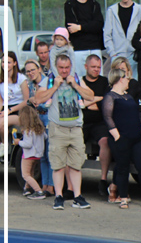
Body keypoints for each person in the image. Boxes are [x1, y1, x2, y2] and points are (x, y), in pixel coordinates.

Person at [34, 53, 95, 210]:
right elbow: (38, 99)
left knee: (75, 165)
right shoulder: (49, 80)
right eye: (61, 67)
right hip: (58, 128)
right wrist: (55, 86)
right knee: (58, 165)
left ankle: (77, 196)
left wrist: (74, 85)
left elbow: (90, 96)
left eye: (67, 67)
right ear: (56, 66)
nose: (64, 71)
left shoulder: (76, 78)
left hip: (75, 128)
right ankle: (59, 196)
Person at [103, 66, 141, 209]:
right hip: (122, 137)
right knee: (123, 167)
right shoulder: (110, 96)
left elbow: (135, 113)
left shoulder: (128, 96)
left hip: (136, 137)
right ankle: (123, 197)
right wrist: (117, 136)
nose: (128, 80)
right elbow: (108, 117)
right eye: (126, 77)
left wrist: (140, 128)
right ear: (119, 79)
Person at [80, 55, 112, 199]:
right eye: (93, 67)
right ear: (86, 66)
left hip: (100, 123)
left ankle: (103, 179)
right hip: (82, 122)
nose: (96, 70)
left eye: (99, 67)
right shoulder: (79, 82)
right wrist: (97, 99)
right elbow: (78, 104)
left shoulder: (105, 82)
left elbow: (106, 104)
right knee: (74, 145)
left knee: (105, 141)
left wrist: (87, 102)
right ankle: (71, 183)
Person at [22, 59, 54, 196]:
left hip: (47, 116)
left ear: (39, 69)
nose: (30, 73)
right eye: (28, 71)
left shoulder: (47, 82)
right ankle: (45, 185)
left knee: (49, 154)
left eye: (32, 70)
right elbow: (29, 100)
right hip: (37, 118)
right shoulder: (31, 85)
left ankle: (51, 186)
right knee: (42, 156)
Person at [64, 0, 104, 77]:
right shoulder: (69, 4)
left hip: (95, 47)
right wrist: (89, 27)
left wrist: (80, 27)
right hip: (78, 48)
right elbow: (71, 27)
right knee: (80, 77)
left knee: (97, 76)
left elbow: (99, 25)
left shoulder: (95, 4)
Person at [104, 0, 141, 79]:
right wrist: (112, 53)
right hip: (117, 54)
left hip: (134, 54)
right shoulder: (112, 11)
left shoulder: (140, 10)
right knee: (118, 82)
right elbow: (107, 34)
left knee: (133, 82)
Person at [14, 105, 48, 199]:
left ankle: (39, 191)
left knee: (25, 175)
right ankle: (27, 189)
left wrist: (18, 142)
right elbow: (45, 137)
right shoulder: (39, 129)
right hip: (37, 155)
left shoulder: (27, 130)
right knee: (31, 173)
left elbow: (28, 144)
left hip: (28, 155)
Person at [1, 52, 29, 129]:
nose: (5, 64)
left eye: (8, 62)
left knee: (1, 123)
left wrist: (10, 110)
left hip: (19, 110)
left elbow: (27, 101)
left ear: (14, 63)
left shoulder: (21, 78)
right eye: (3, 62)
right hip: (5, 109)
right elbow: (1, 101)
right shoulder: (1, 80)